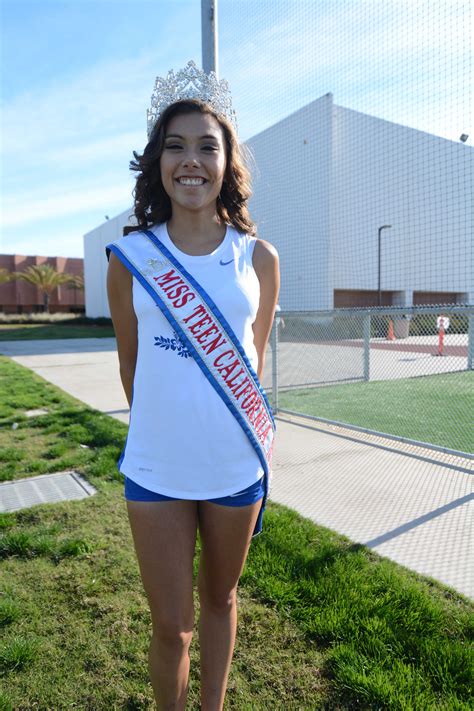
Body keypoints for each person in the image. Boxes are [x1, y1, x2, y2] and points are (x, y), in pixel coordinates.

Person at [106, 60, 280, 710]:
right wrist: (170, 421)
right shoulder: (131, 261)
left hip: (235, 465)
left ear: (227, 161)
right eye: (175, 146)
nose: (191, 161)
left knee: (222, 598)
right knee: (171, 625)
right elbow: (132, 366)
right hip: (156, 467)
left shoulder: (259, 259)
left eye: (207, 146)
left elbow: (251, 360)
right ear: (157, 162)